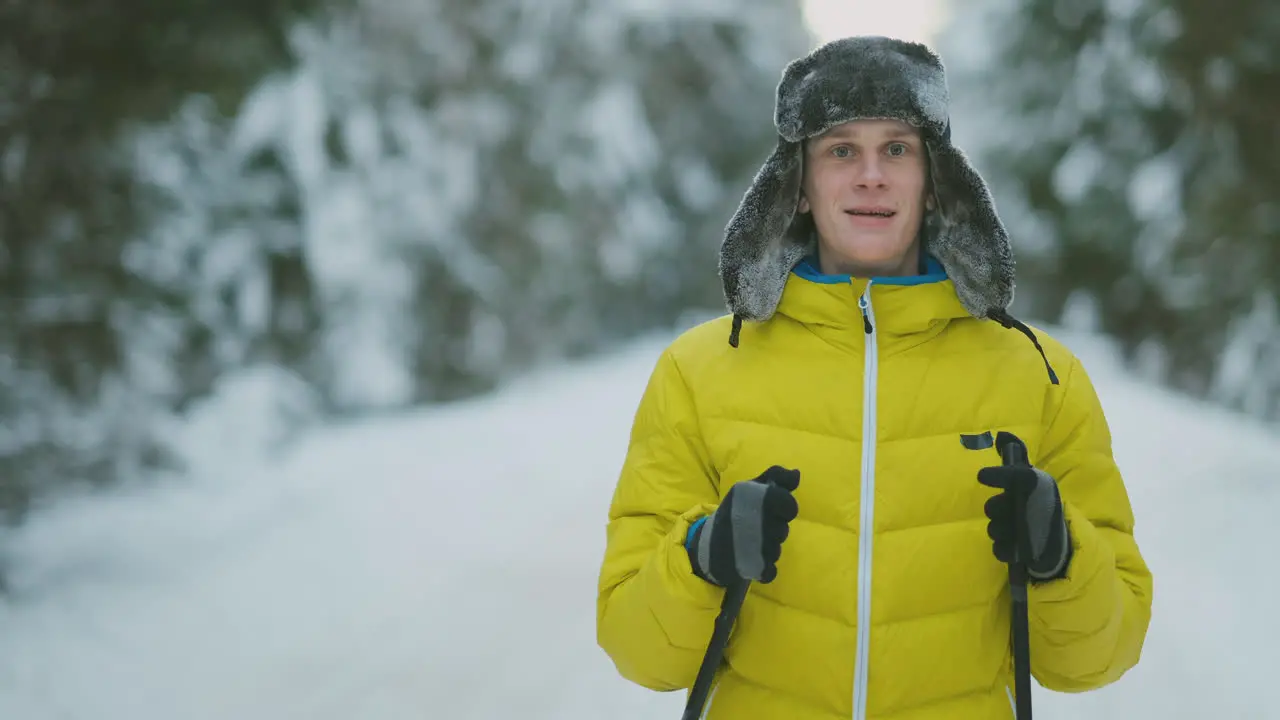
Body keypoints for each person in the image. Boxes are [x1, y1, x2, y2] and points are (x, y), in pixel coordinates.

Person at [594, 35, 1153, 719]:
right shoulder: (700, 372)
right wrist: (702, 555)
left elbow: (1103, 654)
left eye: (896, 148)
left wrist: (1063, 555)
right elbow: (637, 650)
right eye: (840, 150)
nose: (871, 176)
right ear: (798, 185)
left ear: (934, 180)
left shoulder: (1041, 379)